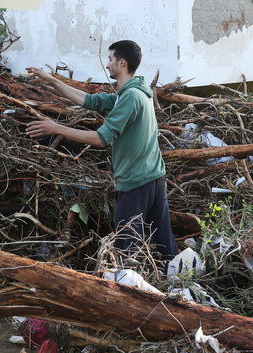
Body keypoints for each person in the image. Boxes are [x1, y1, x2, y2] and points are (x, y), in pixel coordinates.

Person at [25, 40, 179, 265]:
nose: (107, 65)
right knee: (165, 245)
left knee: (126, 252)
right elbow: (88, 100)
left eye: (110, 59)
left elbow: (100, 138)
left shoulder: (130, 97)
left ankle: (126, 295)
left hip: (135, 183)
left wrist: (55, 127)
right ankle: (179, 286)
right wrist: (51, 80)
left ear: (122, 63)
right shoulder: (133, 92)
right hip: (154, 178)